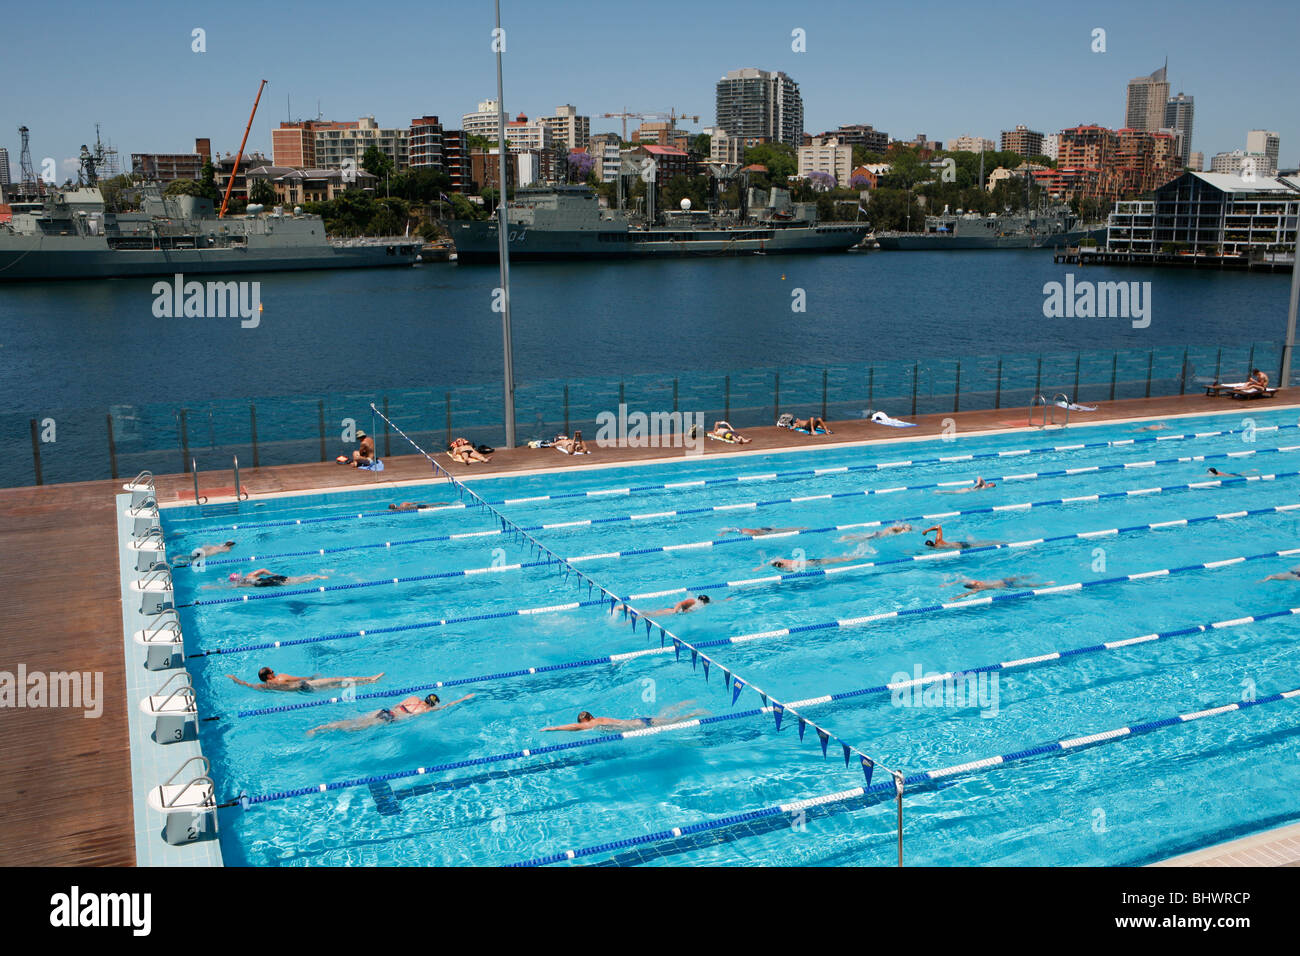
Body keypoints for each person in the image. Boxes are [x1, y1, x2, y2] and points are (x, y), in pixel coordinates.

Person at [307, 692, 474, 735]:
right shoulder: (426, 710)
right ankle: (330, 730)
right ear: (433, 704)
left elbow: (396, 704)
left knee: (355, 720)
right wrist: (463, 699)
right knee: (355, 728)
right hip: (390, 718)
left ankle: (322, 727)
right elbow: (447, 706)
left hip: (385, 711)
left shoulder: (413, 697)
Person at [541, 702, 705, 732]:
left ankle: (694, 713)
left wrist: (553, 728)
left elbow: (575, 727)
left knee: (672, 722)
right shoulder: (600, 720)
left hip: (641, 726)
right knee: (665, 717)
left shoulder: (594, 722)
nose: (582, 726)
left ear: (586, 720)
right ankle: (682, 706)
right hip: (640, 721)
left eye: (581, 723)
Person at [228, 668, 384, 692]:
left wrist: (235, 679)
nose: (274, 671)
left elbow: (246, 684)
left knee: (337, 687)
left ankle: (367, 682)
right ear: (269, 675)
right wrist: (311, 677)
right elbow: (300, 678)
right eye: (271, 670)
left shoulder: (266, 686)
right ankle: (370, 679)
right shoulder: (281, 677)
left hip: (304, 692)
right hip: (306, 684)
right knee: (339, 680)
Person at [945, 575, 1052, 601]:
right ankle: (1045, 584)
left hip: (1004, 581)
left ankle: (1033, 577)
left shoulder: (978, 584)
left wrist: (949, 584)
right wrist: (955, 598)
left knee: (1020, 578)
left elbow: (963, 580)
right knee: (1025, 585)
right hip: (1005, 585)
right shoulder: (980, 588)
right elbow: (966, 594)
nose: (976, 583)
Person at [208, 568, 327, 589]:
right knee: (295, 578)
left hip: (270, 582)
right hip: (273, 578)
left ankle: (316, 577)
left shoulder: (241, 584)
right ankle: (316, 576)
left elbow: (226, 587)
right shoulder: (249, 575)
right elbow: (263, 570)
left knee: (296, 582)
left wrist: (211, 587)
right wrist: (273, 573)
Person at [614, 595, 712, 617]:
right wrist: (674, 611)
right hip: (670, 611)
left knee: (646, 614)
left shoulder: (698, 604)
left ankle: (624, 609)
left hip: (672, 612)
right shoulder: (693, 601)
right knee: (646, 615)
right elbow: (680, 604)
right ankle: (623, 608)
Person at [922, 525, 1000, 551]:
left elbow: (938, 526)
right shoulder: (938, 541)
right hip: (959, 543)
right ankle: (996, 542)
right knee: (979, 543)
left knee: (981, 545)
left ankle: (998, 543)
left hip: (961, 546)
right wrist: (926, 531)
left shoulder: (938, 546)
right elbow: (938, 527)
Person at [763, 555, 859, 571]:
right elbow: (771, 562)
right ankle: (852, 557)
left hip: (814, 563)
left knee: (837, 560)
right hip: (810, 561)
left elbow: (794, 570)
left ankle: (856, 557)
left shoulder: (788, 567)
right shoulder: (781, 560)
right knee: (835, 560)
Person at [838, 523, 913, 543]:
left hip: (880, 534)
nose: (910, 529)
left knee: (865, 537)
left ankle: (848, 537)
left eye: (910, 529)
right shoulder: (899, 529)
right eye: (909, 528)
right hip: (880, 534)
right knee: (865, 538)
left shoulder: (902, 531)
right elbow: (890, 528)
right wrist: (887, 532)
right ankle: (850, 540)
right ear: (904, 528)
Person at [719, 526, 807, 537]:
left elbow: (755, 533)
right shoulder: (742, 530)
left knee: (782, 531)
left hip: (763, 531)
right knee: (781, 530)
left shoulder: (743, 531)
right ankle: (801, 528)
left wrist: (723, 532)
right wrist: (724, 532)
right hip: (762, 529)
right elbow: (733, 529)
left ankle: (802, 528)